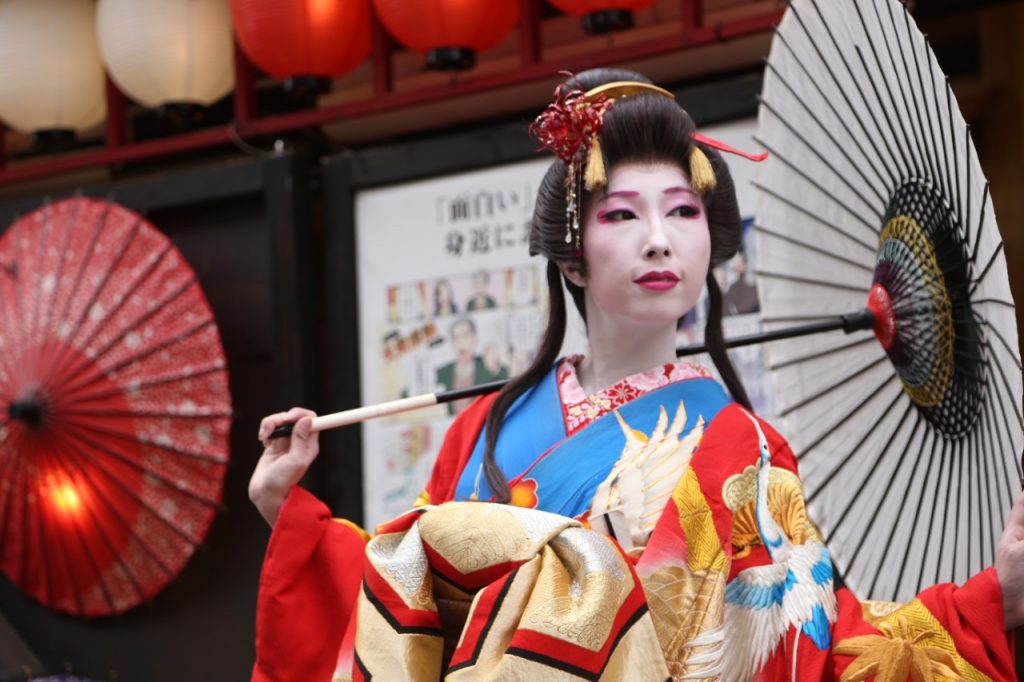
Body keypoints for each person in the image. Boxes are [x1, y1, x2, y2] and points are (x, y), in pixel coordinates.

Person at [249, 69, 1024, 681]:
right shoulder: (479, 428)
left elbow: (811, 652)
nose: (660, 241)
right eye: (623, 215)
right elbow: (401, 609)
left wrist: (998, 598)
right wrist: (290, 511)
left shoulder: (741, 448)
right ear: (568, 257)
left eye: (683, 212)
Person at [434, 317, 508, 415]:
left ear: (475, 338)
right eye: (455, 337)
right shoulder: (442, 372)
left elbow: (509, 385)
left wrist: (495, 368)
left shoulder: (488, 367)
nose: (460, 342)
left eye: (465, 336)